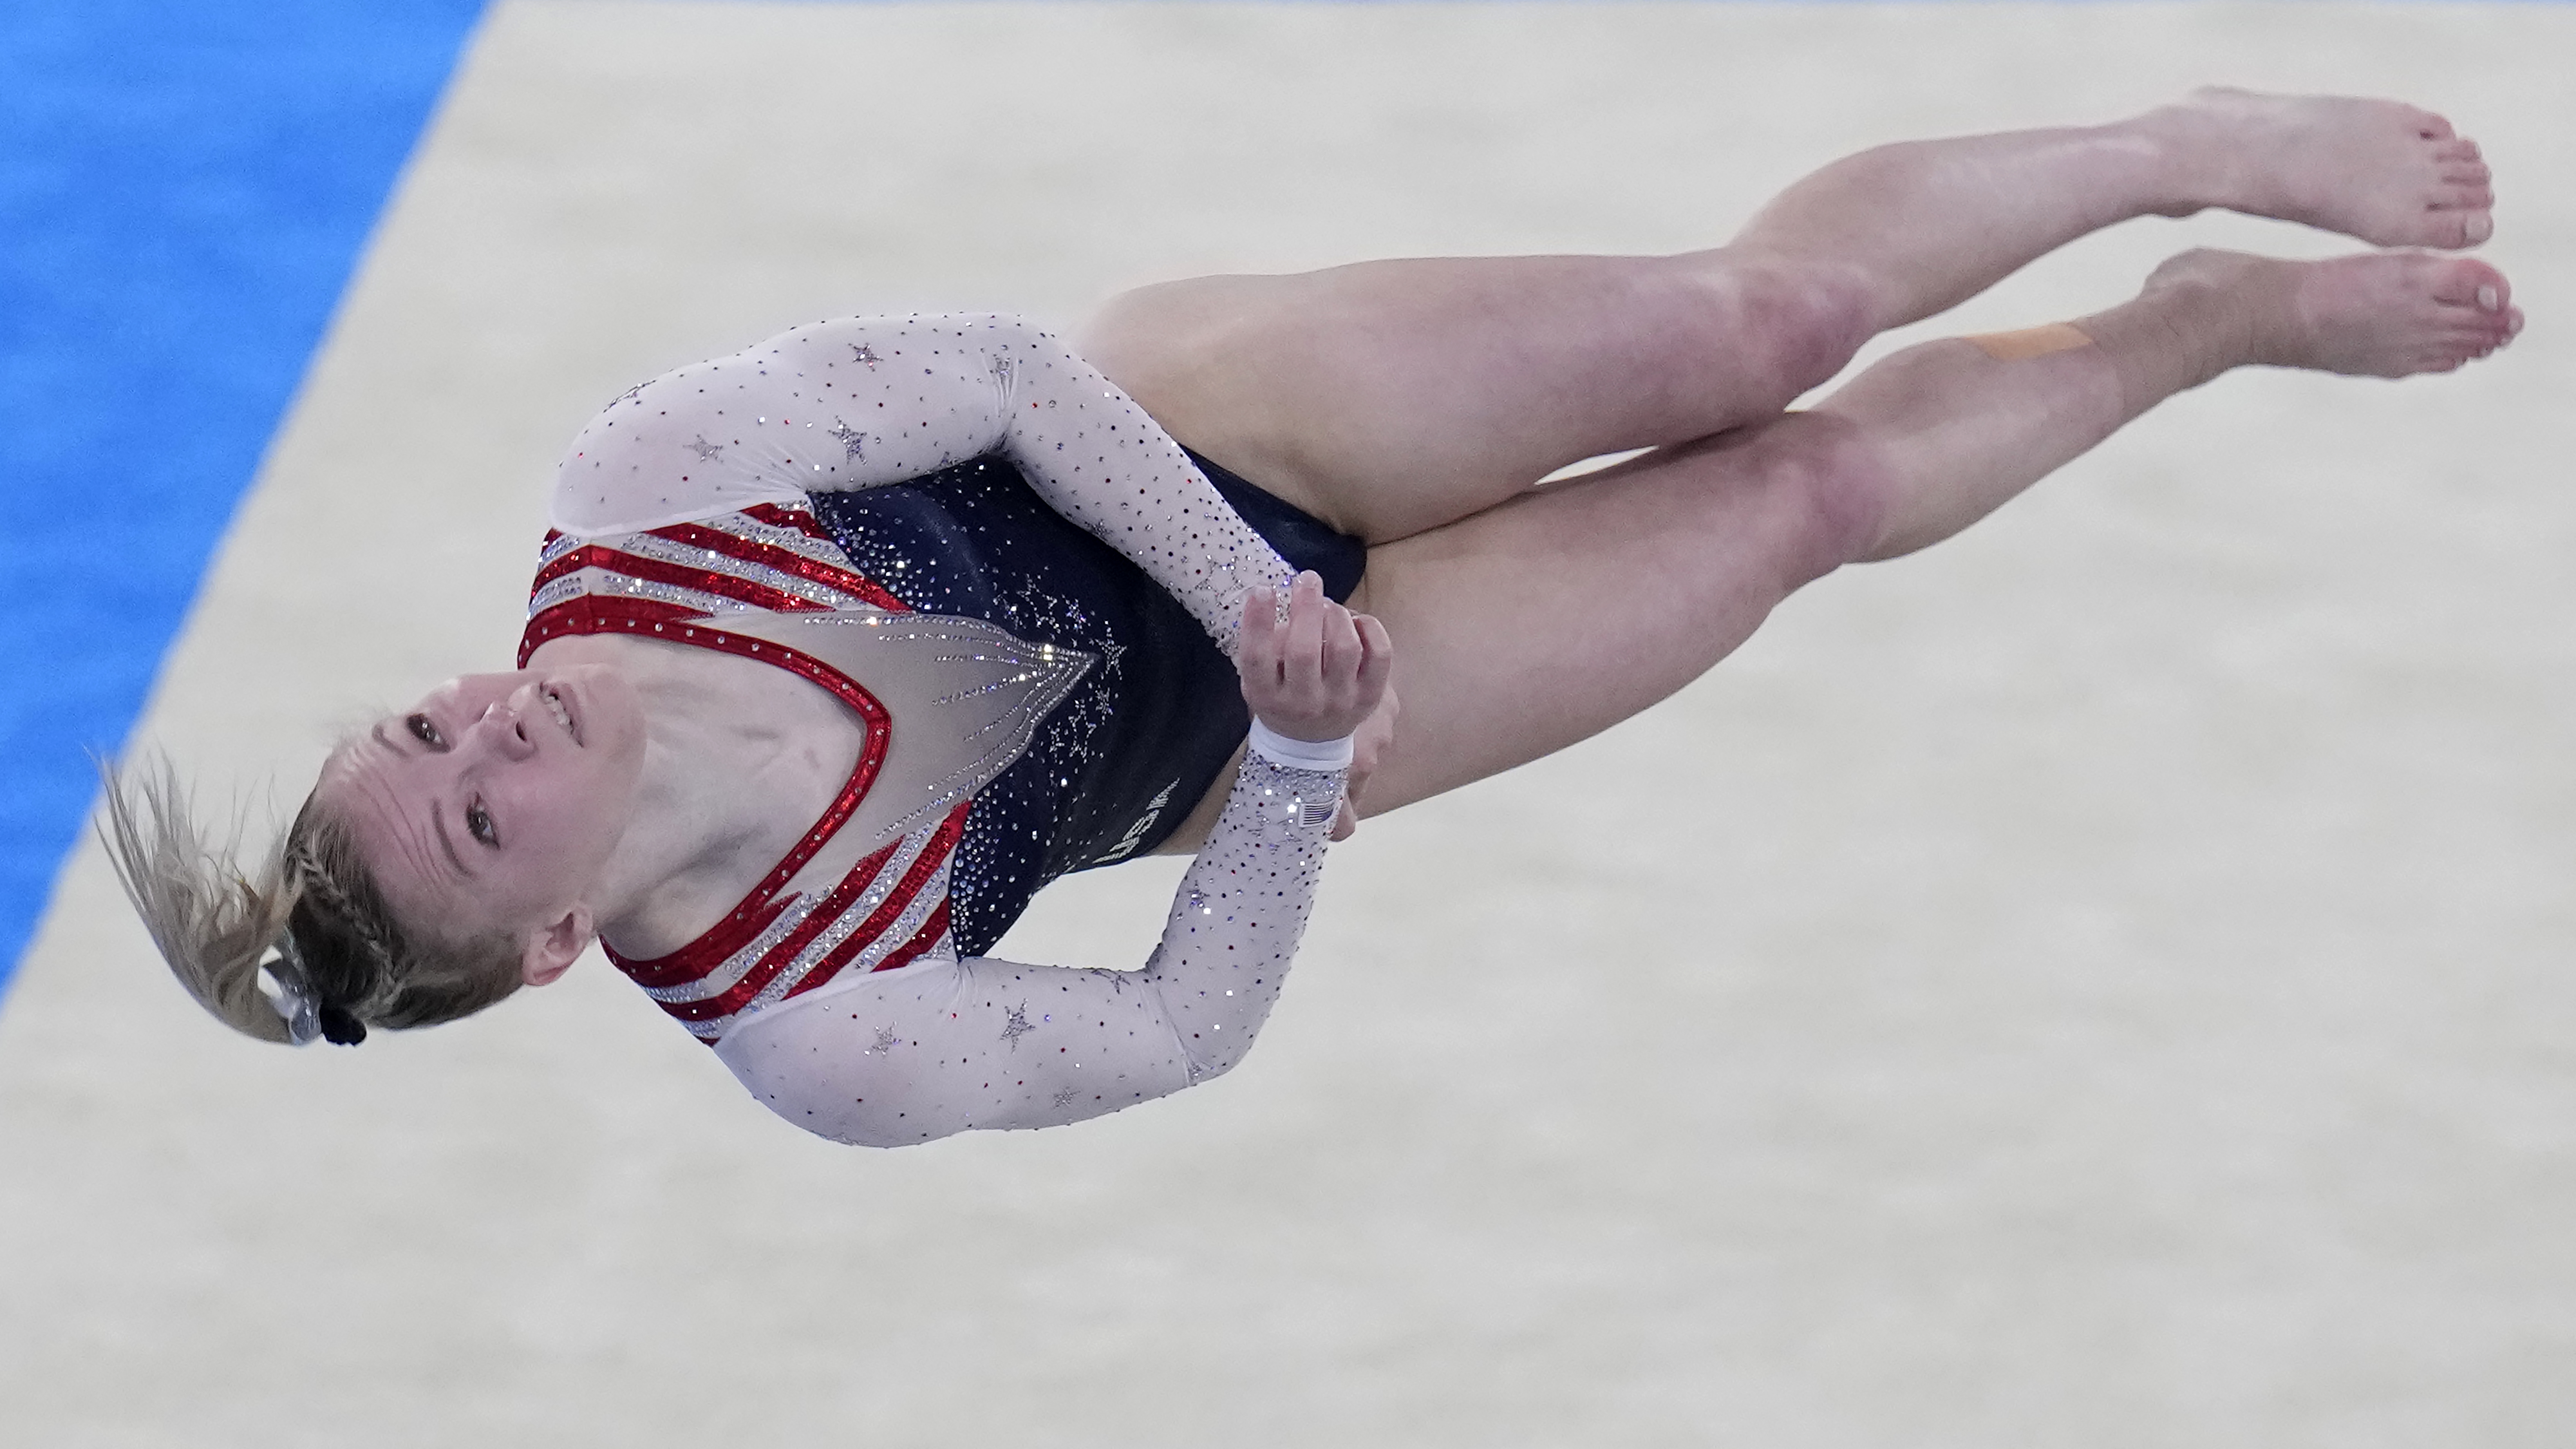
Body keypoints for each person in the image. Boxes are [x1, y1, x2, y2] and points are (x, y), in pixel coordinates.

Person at [103, 89, 2517, 1147]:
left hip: (1219, 439)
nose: (476, 727)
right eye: (479, 809)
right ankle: (2194, 320)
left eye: (414, 729)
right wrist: (1281, 759)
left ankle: (2170, 151)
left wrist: (1259, 605)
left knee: (1757, 329)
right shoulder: (822, 1036)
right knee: (1809, 502)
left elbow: (1013, 375)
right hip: (1296, 738)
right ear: (548, 951)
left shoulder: (641, 492)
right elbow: (1179, 1030)